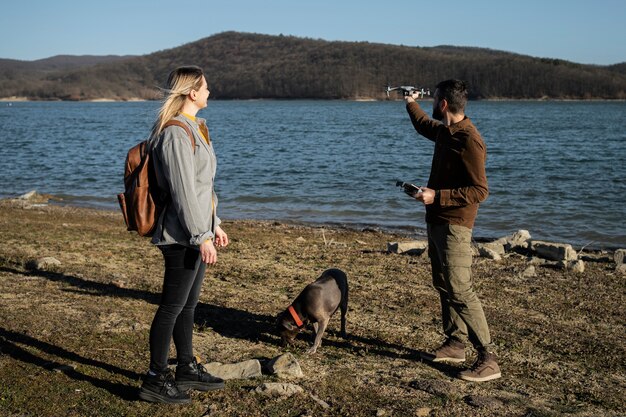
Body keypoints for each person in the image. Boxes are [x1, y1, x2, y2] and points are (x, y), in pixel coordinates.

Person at [138, 66, 229, 403]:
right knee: (171, 308)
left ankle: (186, 367)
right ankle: (154, 378)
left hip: (196, 230)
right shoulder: (176, 132)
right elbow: (182, 192)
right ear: (192, 92)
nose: (210, 92)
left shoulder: (195, 127)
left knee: (188, 306)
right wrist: (200, 236)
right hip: (180, 236)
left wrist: (214, 224)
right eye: (206, 87)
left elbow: (203, 187)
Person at [403, 79, 501, 382]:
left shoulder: (470, 140)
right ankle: (456, 343)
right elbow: (423, 125)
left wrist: (438, 196)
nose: (431, 103)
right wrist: (410, 102)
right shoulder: (446, 132)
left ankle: (488, 357)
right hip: (436, 219)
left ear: (444, 103)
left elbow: (480, 190)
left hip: (456, 224)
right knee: (443, 283)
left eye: (433, 99)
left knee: (460, 288)